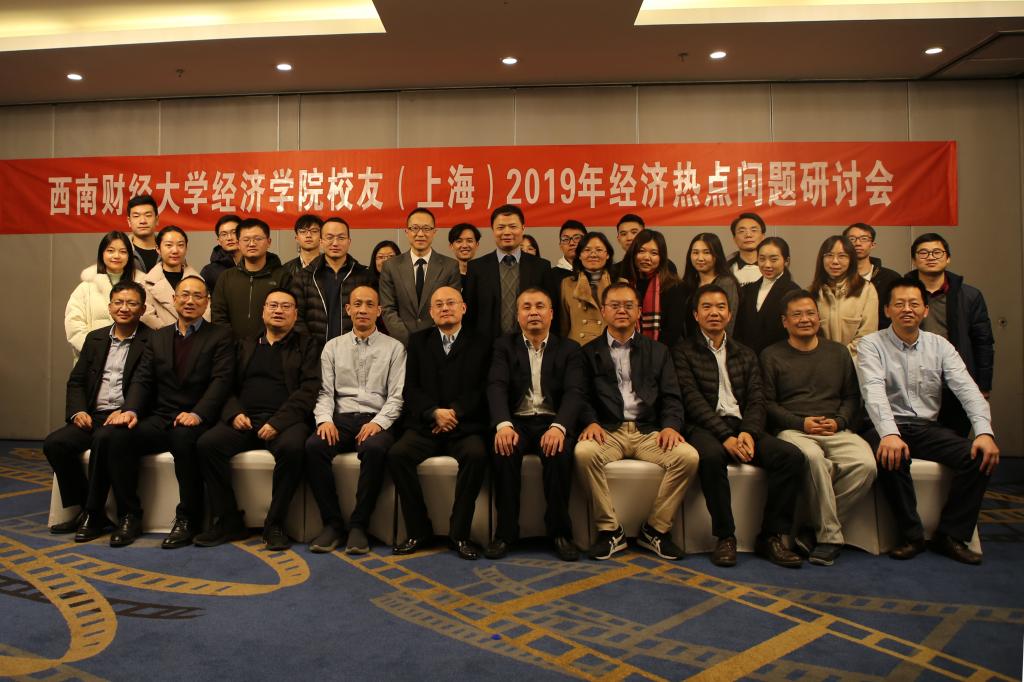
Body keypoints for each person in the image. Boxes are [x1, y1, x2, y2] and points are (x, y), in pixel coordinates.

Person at [856, 278, 999, 565]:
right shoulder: (871, 344)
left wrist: (985, 432)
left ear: (925, 310)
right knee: (891, 456)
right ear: (887, 310)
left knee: (978, 456)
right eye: (899, 304)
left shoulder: (940, 346)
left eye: (914, 304)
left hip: (925, 428)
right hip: (884, 426)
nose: (907, 309)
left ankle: (951, 535)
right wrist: (889, 434)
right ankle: (911, 535)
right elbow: (873, 392)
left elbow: (968, 390)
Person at [673, 284, 806, 568]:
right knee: (710, 457)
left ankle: (770, 536)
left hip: (743, 426)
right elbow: (692, 400)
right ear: (696, 315)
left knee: (791, 457)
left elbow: (758, 398)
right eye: (707, 307)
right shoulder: (683, 352)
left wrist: (748, 432)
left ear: (730, 314)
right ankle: (725, 536)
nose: (714, 312)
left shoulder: (745, 353)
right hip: (704, 428)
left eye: (720, 307)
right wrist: (725, 436)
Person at [103, 276, 234, 548]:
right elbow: (143, 378)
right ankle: (129, 516)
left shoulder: (220, 335)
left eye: (197, 296)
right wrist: (131, 410)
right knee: (118, 437)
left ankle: (188, 519)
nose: (190, 301)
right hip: (161, 416)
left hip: (197, 418)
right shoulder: (158, 337)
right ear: (174, 300)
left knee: (183, 439)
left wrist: (198, 414)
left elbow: (222, 381)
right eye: (184, 295)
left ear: (207, 303)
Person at [575, 283, 699, 561]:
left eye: (628, 305)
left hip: (648, 431)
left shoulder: (658, 351)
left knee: (688, 457)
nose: (622, 310)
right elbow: (580, 395)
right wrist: (590, 422)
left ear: (639, 312)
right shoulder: (587, 352)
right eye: (615, 305)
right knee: (583, 453)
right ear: (603, 311)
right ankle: (610, 530)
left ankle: (655, 529)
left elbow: (672, 396)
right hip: (608, 431)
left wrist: (671, 426)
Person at [194, 288, 321, 550]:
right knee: (207, 444)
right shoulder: (244, 344)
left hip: (285, 421)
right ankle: (228, 520)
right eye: (273, 305)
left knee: (294, 448)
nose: (278, 311)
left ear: (295, 314)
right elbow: (224, 385)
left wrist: (278, 422)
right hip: (245, 419)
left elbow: (309, 390)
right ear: (263, 311)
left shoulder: (307, 345)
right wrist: (234, 413)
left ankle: (275, 523)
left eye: (285, 306)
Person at [761, 290, 876, 566]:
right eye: (797, 315)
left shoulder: (838, 352)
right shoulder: (771, 355)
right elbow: (767, 403)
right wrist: (801, 423)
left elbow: (852, 397)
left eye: (810, 313)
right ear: (785, 321)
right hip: (794, 429)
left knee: (866, 465)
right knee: (812, 458)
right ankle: (829, 538)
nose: (805, 319)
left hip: (834, 428)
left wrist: (839, 422)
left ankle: (812, 529)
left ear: (818, 317)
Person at [44, 281, 151, 540]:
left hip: (128, 416)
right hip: (94, 415)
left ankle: (115, 514)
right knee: (55, 444)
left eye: (132, 303)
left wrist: (128, 410)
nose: (124, 308)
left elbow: (150, 384)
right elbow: (77, 381)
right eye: (118, 302)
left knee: (106, 439)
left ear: (143, 309)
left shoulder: (153, 340)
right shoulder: (95, 338)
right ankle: (90, 510)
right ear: (110, 306)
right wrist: (78, 411)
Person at [388, 287, 489, 560]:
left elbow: (482, 388)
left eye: (451, 303)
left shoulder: (482, 341)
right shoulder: (418, 341)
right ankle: (419, 530)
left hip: (463, 426)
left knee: (477, 455)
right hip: (427, 424)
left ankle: (459, 534)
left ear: (463, 308)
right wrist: (433, 412)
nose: (445, 308)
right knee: (397, 455)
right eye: (439, 305)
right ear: (431, 312)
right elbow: (410, 388)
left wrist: (454, 412)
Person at [485, 288, 584, 562]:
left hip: (552, 421)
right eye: (526, 307)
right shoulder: (504, 346)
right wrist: (503, 424)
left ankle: (560, 533)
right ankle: (505, 533)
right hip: (516, 420)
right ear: (518, 316)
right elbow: (496, 386)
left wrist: (560, 427)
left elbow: (575, 392)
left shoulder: (570, 349)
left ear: (551, 314)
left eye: (540, 306)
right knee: (503, 450)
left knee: (559, 453)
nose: (533, 312)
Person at [305, 286, 406, 554]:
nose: (363, 309)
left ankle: (359, 525)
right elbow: (324, 392)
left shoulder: (395, 348)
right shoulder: (332, 347)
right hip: (341, 418)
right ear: (348, 309)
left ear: (379, 311)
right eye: (357, 304)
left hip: (377, 418)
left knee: (374, 448)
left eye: (369, 304)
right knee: (314, 447)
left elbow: (396, 397)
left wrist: (378, 423)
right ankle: (332, 524)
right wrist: (324, 421)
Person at [906, 233, 994, 437]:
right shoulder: (901, 294)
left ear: (948, 258)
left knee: (955, 441)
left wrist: (983, 385)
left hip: (954, 380)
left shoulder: (969, 295)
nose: (930, 257)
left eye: (937, 252)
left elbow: (983, 343)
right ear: (914, 260)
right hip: (913, 380)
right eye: (923, 253)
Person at [463, 204, 555, 343]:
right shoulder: (476, 268)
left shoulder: (541, 267)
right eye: (500, 227)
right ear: (493, 230)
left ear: (523, 228)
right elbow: (469, 314)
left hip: (531, 344)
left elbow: (550, 311)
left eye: (513, 226)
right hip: (486, 346)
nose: (507, 232)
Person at [379, 208, 462, 346]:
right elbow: (388, 309)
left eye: (426, 228)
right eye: (415, 228)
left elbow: (450, 308)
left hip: (437, 344)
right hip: (401, 344)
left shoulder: (450, 266)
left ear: (434, 232)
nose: (420, 234)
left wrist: (430, 341)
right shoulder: (391, 266)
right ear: (407, 231)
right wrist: (410, 341)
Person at [290, 216, 373, 345]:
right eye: (329, 237)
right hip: (315, 351)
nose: (335, 243)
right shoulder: (304, 276)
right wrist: (311, 348)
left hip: (355, 349)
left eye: (341, 238)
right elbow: (296, 317)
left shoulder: (364, 276)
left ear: (349, 241)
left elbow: (372, 315)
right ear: (321, 241)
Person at [65, 231, 143, 359]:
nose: (116, 256)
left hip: (131, 359)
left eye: (123, 252)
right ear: (102, 254)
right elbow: (74, 325)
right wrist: (96, 350)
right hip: (93, 358)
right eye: (110, 251)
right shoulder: (86, 287)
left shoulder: (141, 285)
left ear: (129, 256)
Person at [212, 218, 290, 340]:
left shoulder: (283, 276)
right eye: (246, 240)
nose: (252, 244)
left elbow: (288, 315)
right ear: (238, 243)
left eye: (258, 239)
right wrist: (231, 344)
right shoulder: (226, 277)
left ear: (269, 242)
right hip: (232, 347)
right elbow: (218, 316)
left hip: (272, 346)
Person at [810, 235, 878, 358]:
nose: (835, 261)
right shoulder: (812, 292)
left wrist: (841, 358)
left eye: (842, 256)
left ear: (851, 260)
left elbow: (867, 334)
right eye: (829, 255)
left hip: (855, 362)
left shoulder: (866, 290)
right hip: (821, 362)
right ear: (821, 259)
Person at [620, 230, 688, 348]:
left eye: (654, 253)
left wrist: (652, 353)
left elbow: (673, 331)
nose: (647, 257)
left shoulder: (674, 286)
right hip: (624, 348)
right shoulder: (623, 284)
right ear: (633, 253)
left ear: (662, 257)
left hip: (662, 351)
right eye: (641, 251)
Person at [733, 237, 799, 355]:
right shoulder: (747, 290)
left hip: (780, 358)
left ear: (786, 261)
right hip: (747, 358)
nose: (767, 265)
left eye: (773, 259)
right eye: (762, 259)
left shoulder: (793, 292)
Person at [140, 226, 208, 330]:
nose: (175, 250)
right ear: (158, 249)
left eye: (180, 245)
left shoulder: (199, 281)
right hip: (162, 337)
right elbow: (147, 316)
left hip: (198, 336)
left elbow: (206, 312)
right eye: (169, 245)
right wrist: (175, 334)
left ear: (186, 248)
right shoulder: (147, 283)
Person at [559, 231, 614, 345]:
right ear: (579, 255)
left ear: (608, 255)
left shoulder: (620, 284)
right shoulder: (567, 284)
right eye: (587, 250)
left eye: (599, 250)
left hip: (609, 347)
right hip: (577, 348)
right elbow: (564, 325)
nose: (593, 255)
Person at [681, 232, 740, 337]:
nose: (700, 258)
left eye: (706, 252)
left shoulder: (726, 283)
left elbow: (728, 325)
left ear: (717, 255)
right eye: (695, 252)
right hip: (689, 344)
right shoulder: (688, 284)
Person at [843, 223, 900, 329]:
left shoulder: (891, 278)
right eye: (852, 239)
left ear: (873, 244)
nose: (857, 243)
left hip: (882, 336)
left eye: (864, 239)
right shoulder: (837, 278)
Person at [609, 213, 677, 279]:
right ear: (618, 239)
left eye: (634, 232)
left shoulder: (667, 266)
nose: (629, 238)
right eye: (623, 234)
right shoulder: (614, 271)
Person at [199, 214, 242, 295]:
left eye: (234, 232)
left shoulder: (255, 264)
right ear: (218, 241)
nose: (229, 238)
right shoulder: (209, 271)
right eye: (224, 234)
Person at [726, 212, 766, 285]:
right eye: (742, 231)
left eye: (753, 230)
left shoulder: (774, 266)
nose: (748, 235)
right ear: (734, 239)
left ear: (763, 236)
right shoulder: (725, 269)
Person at [125, 195, 161, 273]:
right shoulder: (122, 251)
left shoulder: (169, 250)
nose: (143, 221)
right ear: (129, 221)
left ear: (157, 219)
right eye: (136, 216)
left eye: (148, 215)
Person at [282, 214, 323, 278]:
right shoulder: (286, 269)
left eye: (314, 231)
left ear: (321, 237)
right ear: (297, 238)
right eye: (303, 231)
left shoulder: (330, 266)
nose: (308, 235)